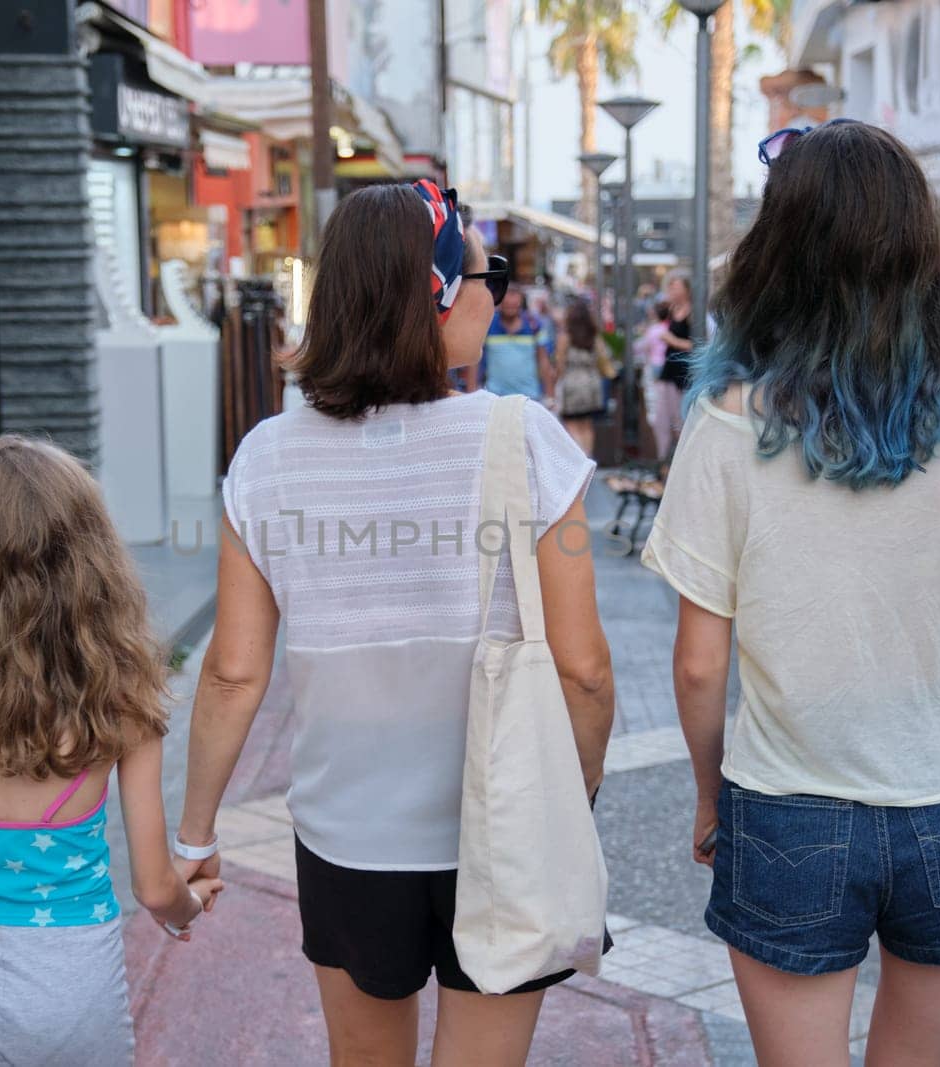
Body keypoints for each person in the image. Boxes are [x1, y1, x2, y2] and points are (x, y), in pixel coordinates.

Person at [645, 120, 940, 1066]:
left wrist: (713, 800)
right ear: (922, 249)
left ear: (776, 253)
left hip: (787, 809)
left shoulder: (727, 425)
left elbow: (700, 664)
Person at [177, 180, 614, 1066]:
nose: (497, 291)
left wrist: (194, 831)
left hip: (346, 834)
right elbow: (584, 671)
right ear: (440, 293)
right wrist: (576, 792)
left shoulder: (266, 459)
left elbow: (233, 671)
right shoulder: (522, 438)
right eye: (485, 272)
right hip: (500, 829)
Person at [0, 436, 222, 1065]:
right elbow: (151, 885)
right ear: (90, 558)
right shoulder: (119, 691)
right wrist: (188, 904)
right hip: (75, 983)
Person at [642, 273, 693, 469]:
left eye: (675, 287)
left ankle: (681, 465)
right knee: (662, 421)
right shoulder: (672, 310)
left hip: (684, 375)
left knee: (680, 423)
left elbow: (700, 344)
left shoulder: (693, 313)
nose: (671, 290)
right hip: (668, 371)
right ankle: (664, 463)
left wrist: (673, 341)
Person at [476, 284, 554, 400]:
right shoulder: (488, 324)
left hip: (529, 398)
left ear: (521, 302)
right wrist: (471, 392)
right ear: (499, 303)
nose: (510, 305)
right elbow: (475, 361)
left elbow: (544, 361)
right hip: (495, 398)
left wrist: (550, 396)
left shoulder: (534, 325)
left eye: (514, 303)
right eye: (507, 303)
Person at [554, 297, 606, 456]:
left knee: (572, 423)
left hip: (572, 383)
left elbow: (560, 363)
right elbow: (602, 358)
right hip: (591, 383)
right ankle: (588, 456)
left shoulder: (565, 337)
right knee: (587, 425)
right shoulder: (594, 336)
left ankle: (580, 458)